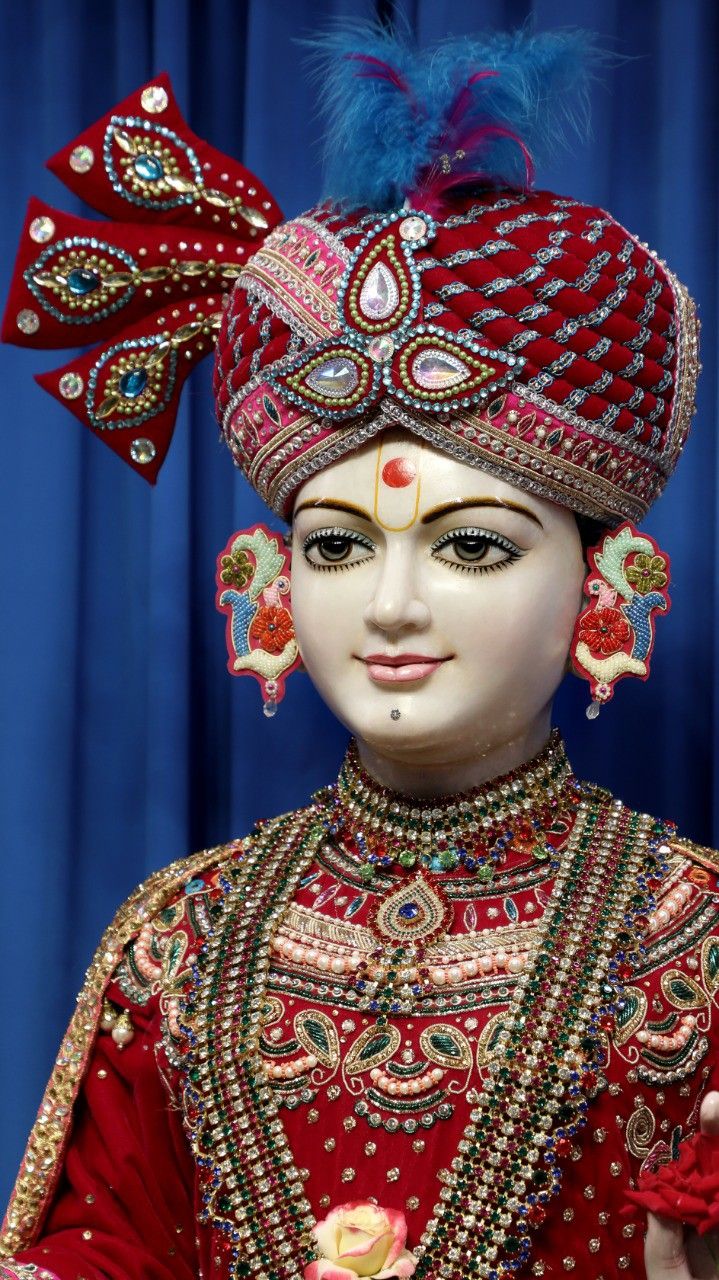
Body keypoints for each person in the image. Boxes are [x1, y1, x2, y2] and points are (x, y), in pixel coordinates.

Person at [1, 24, 716, 1280]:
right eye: (335, 546)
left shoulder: (693, 940)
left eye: (471, 546)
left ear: (604, 583)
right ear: (267, 583)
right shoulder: (181, 941)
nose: (388, 604)